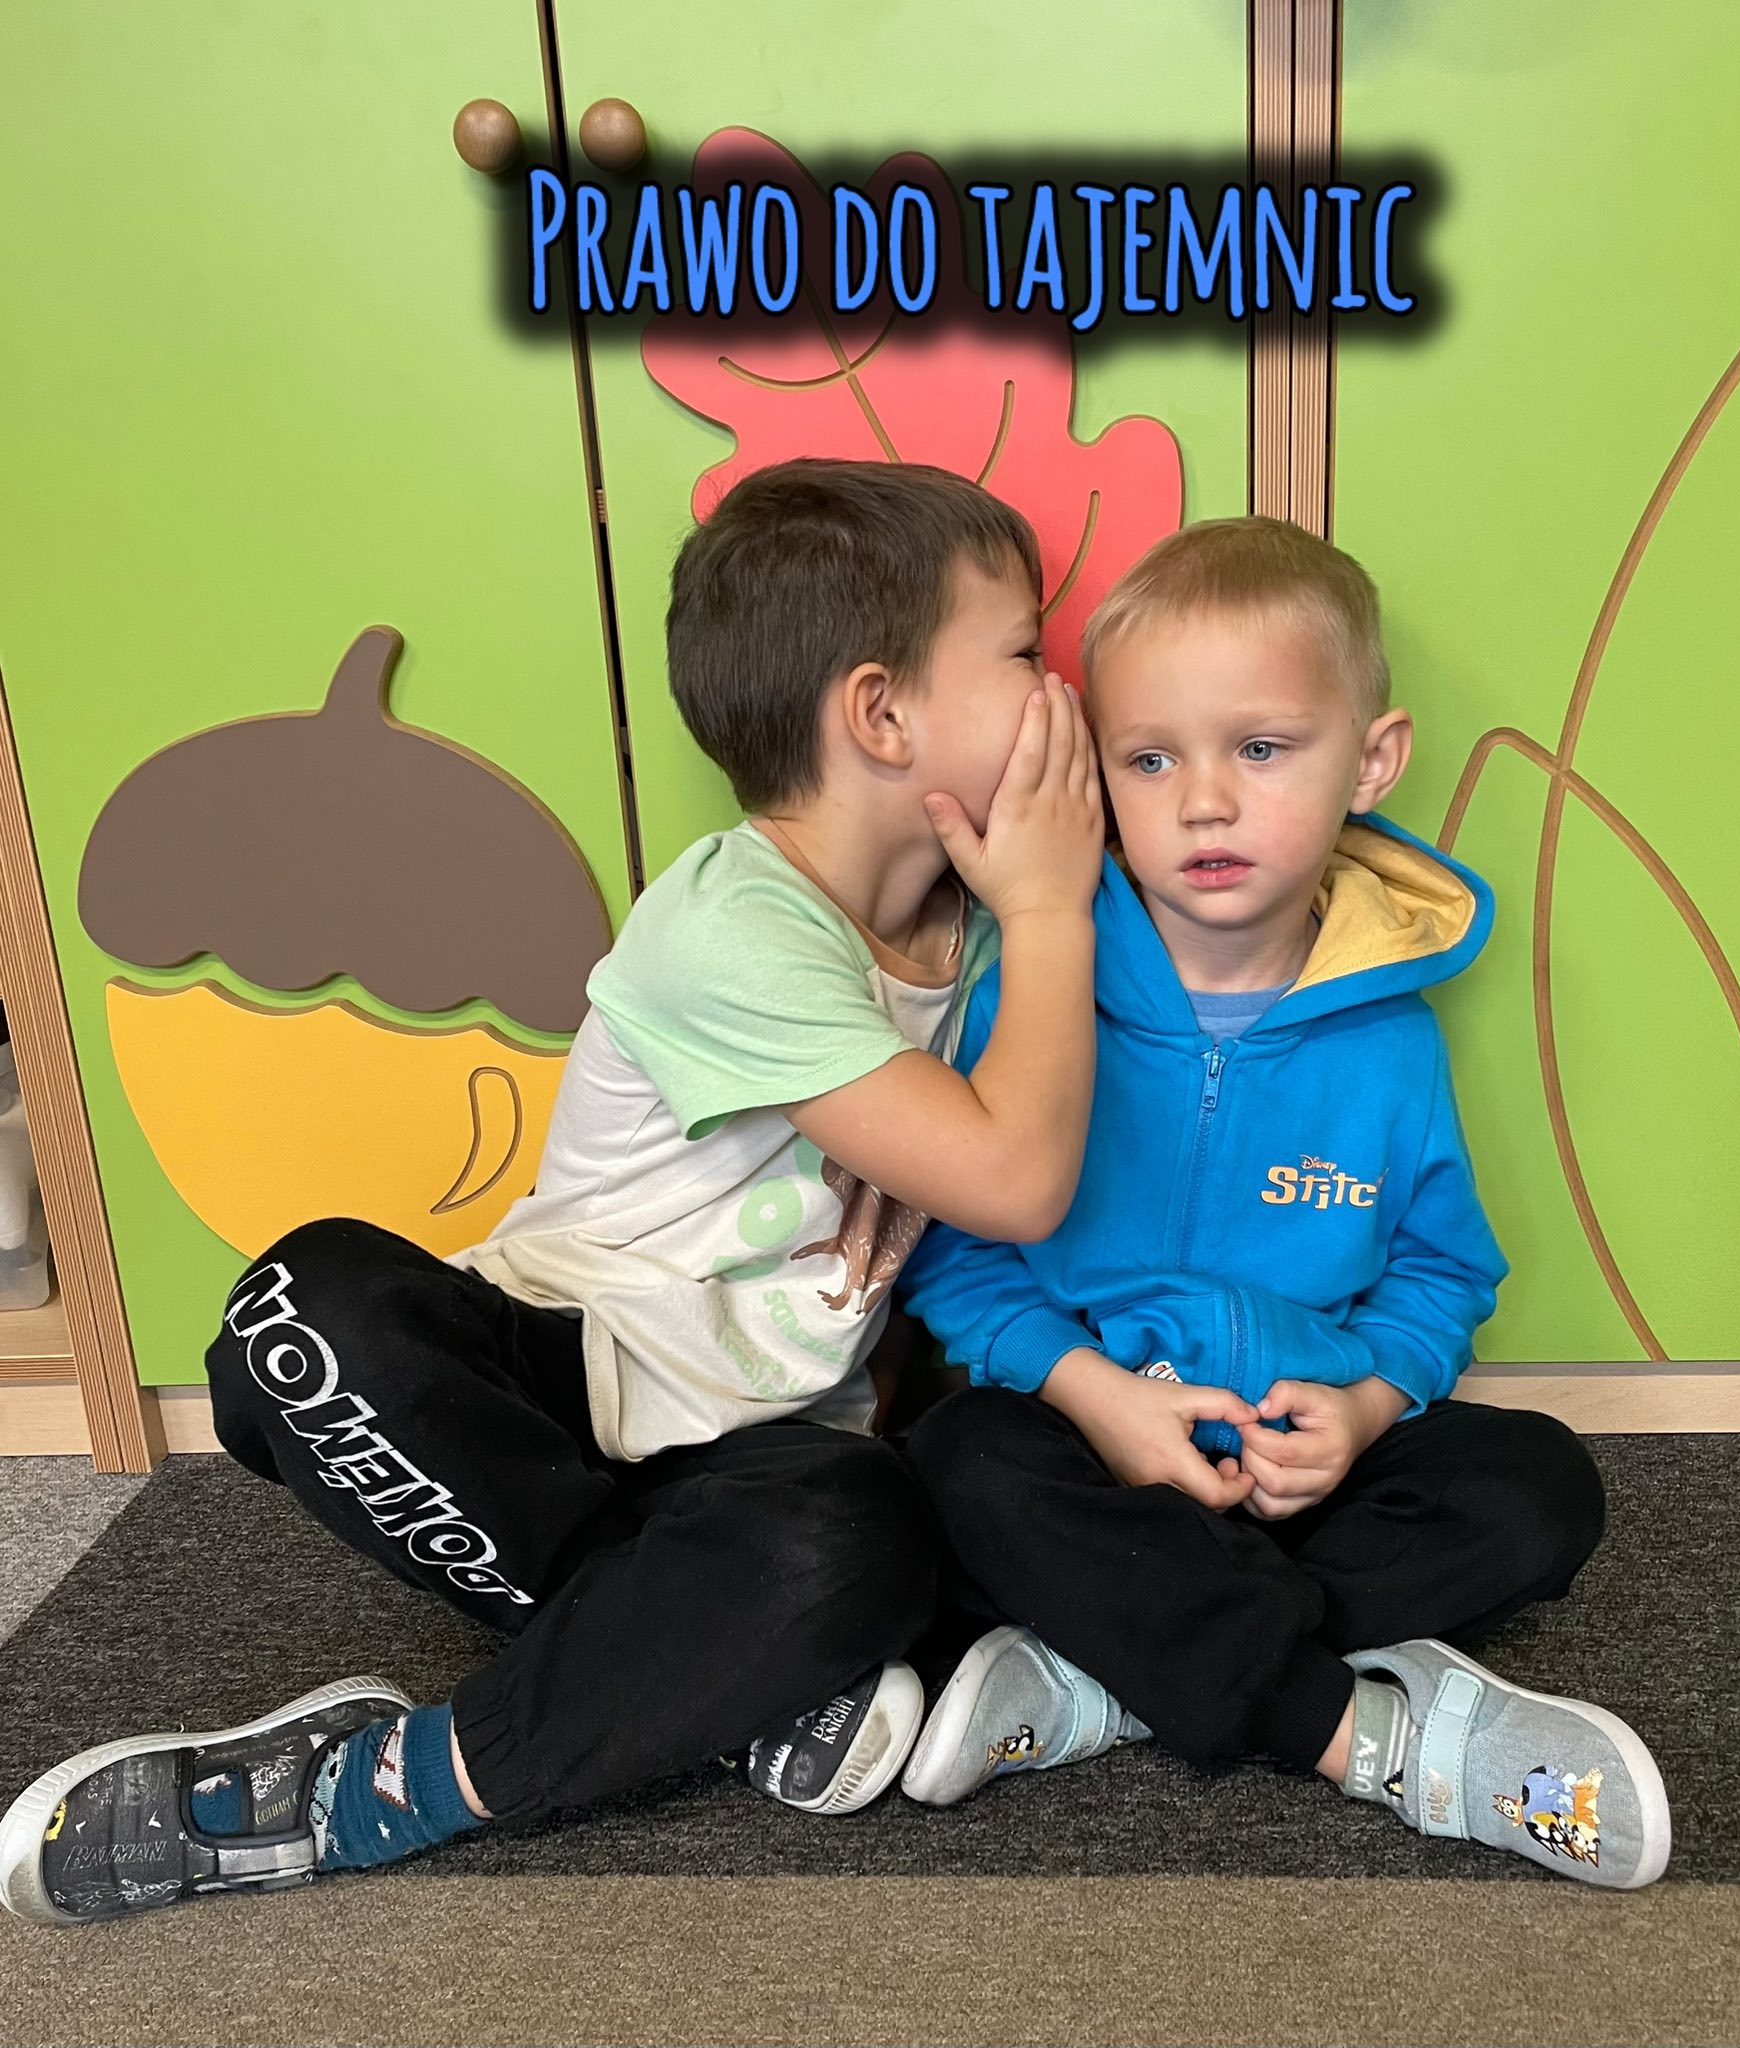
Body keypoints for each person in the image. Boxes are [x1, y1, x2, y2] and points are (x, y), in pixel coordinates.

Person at [0, 459, 1104, 1927]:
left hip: (754, 1450)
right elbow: (1016, 1179)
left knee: (864, 1543)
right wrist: (1050, 904)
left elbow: (1024, 1166)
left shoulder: (986, 933)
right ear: (880, 715)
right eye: (1026, 651)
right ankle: (631, 1684)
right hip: (558, 1375)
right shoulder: (735, 922)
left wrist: (1034, 915)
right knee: (299, 1315)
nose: (1062, 689)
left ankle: (418, 1770)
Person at [895, 516, 1671, 1889]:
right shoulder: (1044, 985)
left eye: (1259, 749)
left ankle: (1113, 1673)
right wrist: (1093, 1395)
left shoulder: (1390, 1041)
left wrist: (1363, 1410)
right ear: (1098, 779)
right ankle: (1344, 1723)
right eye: (1150, 760)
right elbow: (954, 1257)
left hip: (1297, 1464)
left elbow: (1440, 1276)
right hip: (1093, 1445)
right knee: (958, 1464)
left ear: (1370, 761)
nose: (1203, 801)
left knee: (1539, 1490)